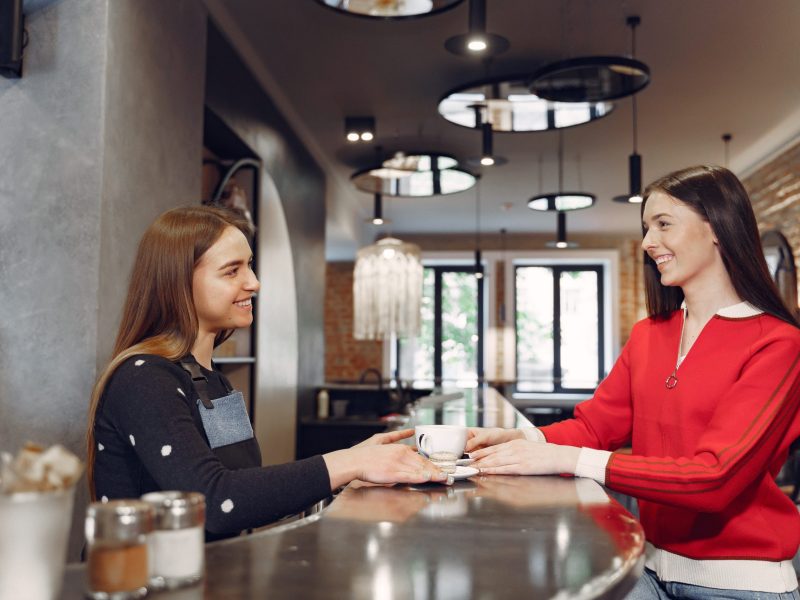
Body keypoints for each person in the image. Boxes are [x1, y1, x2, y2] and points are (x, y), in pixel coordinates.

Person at [467, 165, 800, 598]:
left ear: (718, 227)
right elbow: (593, 428)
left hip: (740, 583)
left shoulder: (778, 344)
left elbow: (714, 478)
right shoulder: (649, 334)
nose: (648, 243)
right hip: (647, 565)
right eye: (646, 228)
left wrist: (571, 460)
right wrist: (518, 439)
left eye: (664, 224)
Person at [86, 205, 447, 540]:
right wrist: (349, 462)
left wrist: (357, 460)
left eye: (250, 265)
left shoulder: (213, 382)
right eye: (232, 270)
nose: (254, 282)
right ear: (177, 282)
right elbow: (214, 503)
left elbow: (241, 485)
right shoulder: (143, 379)